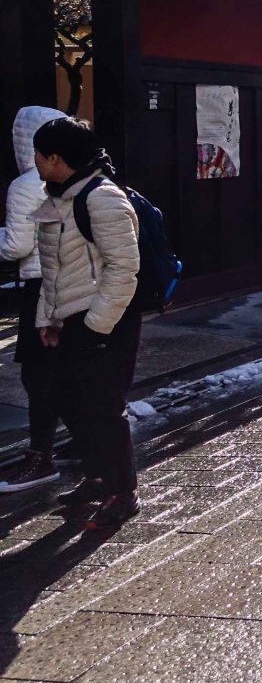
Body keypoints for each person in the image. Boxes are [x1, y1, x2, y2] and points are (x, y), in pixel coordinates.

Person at [32, 117, 142, 530]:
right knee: (66, 398)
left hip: (108, 319)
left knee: (104, 407)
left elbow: (124, 268)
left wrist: (98, 325)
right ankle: (98, 478)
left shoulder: (102, 198)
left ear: (56, 158)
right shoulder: (59, 197)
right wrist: (49, 317)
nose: (36, 162)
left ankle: (123, 492)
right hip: (73, 319)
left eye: (39, 155)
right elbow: (52, 269)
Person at [0, 106, 72, 493]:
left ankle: (40, 456)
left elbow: (17, 245)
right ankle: (85, 445)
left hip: (39, 284)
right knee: (64, 370)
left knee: (39, 373)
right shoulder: (74, 180)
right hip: (69, 283)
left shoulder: (26, 182)